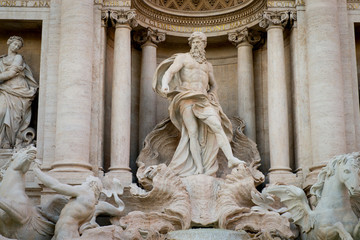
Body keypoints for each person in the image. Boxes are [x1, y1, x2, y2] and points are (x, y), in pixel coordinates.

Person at [153, 32, 244, 177]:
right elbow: (169, 73)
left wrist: (212, 95)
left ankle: (231, 158)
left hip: (203, 99)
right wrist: (165, 84)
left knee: (217, 126)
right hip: (186, 98)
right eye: (194, 42)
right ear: (191, 44)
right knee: (192, 133)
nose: (196, 45)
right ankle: (199, 168)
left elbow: (213, 85)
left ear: (204, 45)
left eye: (199, 42)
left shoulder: (207, 66)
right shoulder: (183, 58)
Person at [33, 164, 103, 240]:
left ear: (91, 184)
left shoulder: (85, 192)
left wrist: (37, 171)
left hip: (64, 235)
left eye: (84, 182)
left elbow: (56, 185)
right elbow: (67, 219)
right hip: (66, 235)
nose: (82, 184)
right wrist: (47, 215)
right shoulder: (91, 207)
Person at [0, 36, 38, 149]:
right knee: (1, 112)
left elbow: (11, 73)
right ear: (8, 43)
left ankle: (8, 142)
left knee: (14, 117)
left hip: (18, 89)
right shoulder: (1, 60)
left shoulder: (18, 57)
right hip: (5, 89)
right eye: (14, 44)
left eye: (18, 46)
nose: (16, 47)